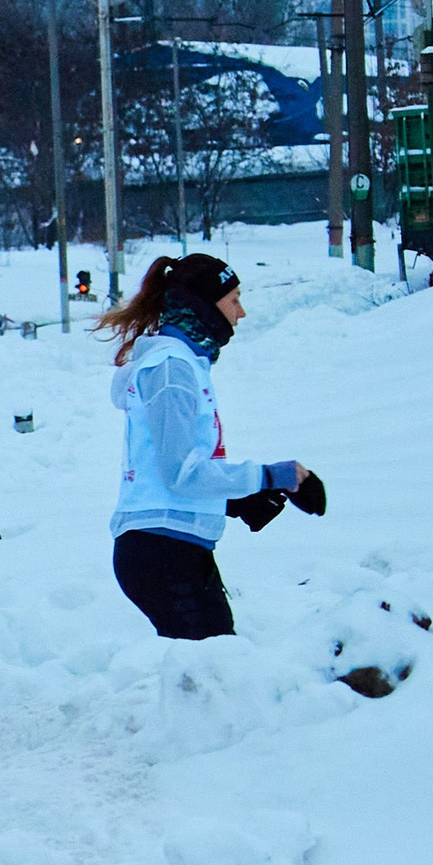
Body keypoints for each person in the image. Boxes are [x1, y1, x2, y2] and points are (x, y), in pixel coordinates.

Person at [97, 253, 322, 640]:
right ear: (204, 305)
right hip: (162, 549)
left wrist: (233, 499)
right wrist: (269, 477)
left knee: (210, 677)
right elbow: (182, 472)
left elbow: (169, 466)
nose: (242, 312)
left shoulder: (183, 364)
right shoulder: (172, 370)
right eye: (234, 299)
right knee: (216, 675)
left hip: (173, 545)